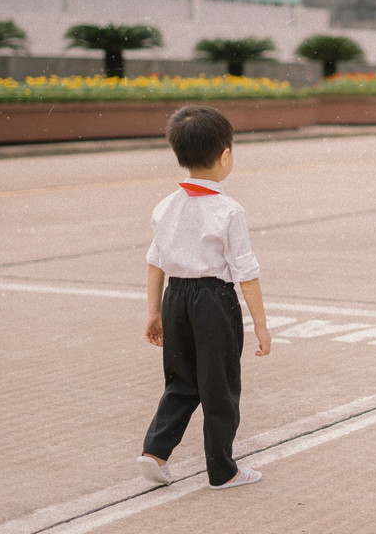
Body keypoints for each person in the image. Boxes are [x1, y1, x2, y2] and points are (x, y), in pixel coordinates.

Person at [136, 105, 272, 489]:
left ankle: (155, 452)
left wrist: (154, 312)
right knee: (220, 385)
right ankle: (222, 469)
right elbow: (246, 272)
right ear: (225, 156)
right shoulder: (228, 210)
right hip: (213, 301)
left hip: (175, 299)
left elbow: (154, 263)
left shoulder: (165, 207)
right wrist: (261, 326)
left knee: (181, 381)